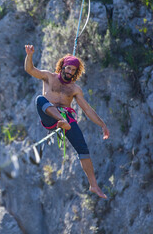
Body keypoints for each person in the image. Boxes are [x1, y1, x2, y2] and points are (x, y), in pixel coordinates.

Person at [24, 44, 110, 199]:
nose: (70, 72)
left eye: (73, 70)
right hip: (50, 118)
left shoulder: (75, 89)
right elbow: (30, 70)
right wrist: (29, 55)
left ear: (76, 73)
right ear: (62, 66)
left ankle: (94, 186)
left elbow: (87, 110)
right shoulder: (49, 77)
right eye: (68, 68)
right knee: (40, 99)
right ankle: (62, 120)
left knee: (82, 148)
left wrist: (102, 124)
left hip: (67, 120)